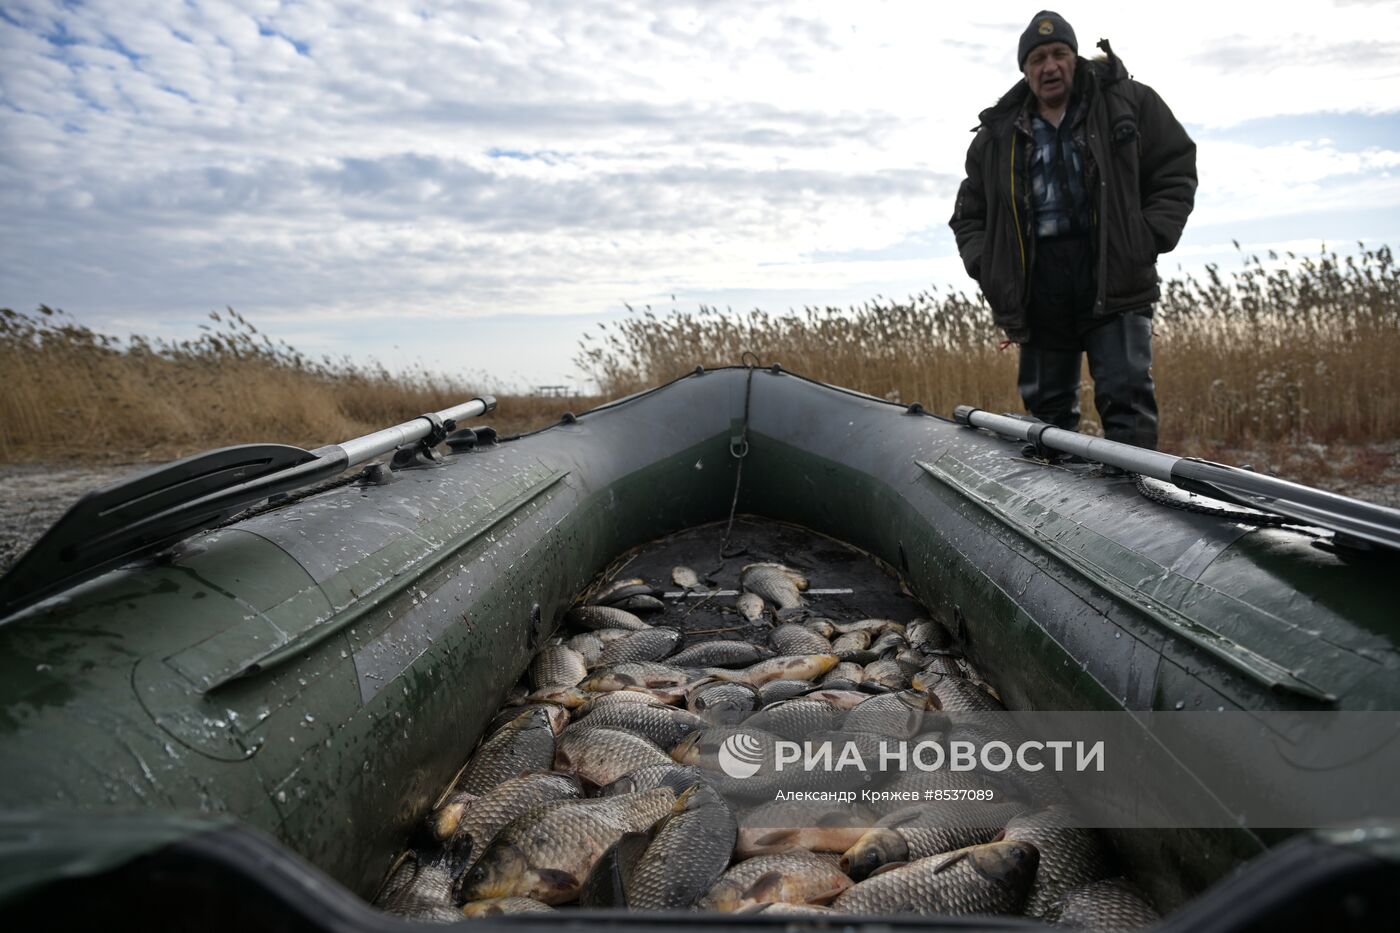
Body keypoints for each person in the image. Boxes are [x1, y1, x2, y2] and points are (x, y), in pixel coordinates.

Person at [949, 11, 1197, 450]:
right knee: (1047, 420)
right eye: (1038, 58)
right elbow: (970, 214)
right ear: (1025, 70)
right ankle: (1054, 510)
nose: (1050, 66)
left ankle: (1134, 507)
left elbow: (1175, 168)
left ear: (1075, 57)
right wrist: (989, 267)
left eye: (1059, 54)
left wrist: (1148, 236)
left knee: (1127, 403)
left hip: (1115, 276)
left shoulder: (1128, 102)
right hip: (1038, 289)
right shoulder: (996, 137)